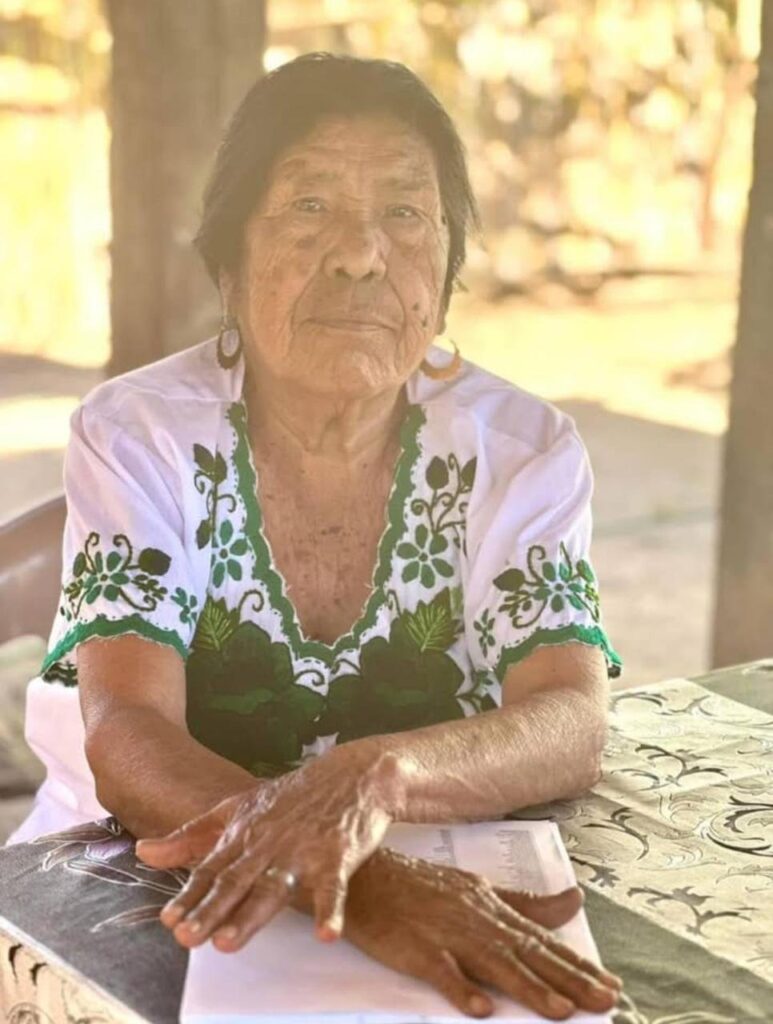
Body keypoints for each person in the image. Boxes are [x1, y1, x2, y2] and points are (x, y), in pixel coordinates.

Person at [11, 54, 622, 1019]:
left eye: (406, 213)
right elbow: (127, 732)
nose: (360, 255)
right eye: (308, 207)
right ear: (228, 264)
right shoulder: (141, 433)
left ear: (447, 273)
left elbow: (570, 719)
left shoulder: (521, 450)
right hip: (144, 864)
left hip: (439, 858)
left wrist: (373, 776)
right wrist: (358, 884)